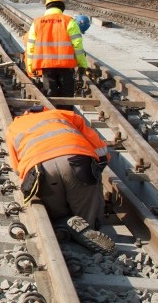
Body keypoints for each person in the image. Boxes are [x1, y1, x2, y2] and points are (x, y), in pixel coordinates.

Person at [6, 107, 114, 254]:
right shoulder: (63, 115)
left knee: (55, 214)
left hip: (42, 169)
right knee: (89, 213)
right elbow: (101, 151)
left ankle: (64, 224)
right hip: (77, 161)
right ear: (44, 110)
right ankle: (86, 231)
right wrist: (95, 173)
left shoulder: (14, 127)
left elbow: (18, 168)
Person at [25, 0, 87, 98]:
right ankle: (66, 113)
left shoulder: (37, 22)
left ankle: (52, 113)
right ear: (61, 7)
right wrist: (82, 65)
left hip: (47, 66)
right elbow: (78, 46)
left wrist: (30, 67)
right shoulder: (69, 21)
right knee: (67, 97)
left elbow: (30, 47)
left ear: (47, 7)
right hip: (67, 66)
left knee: (50, 96)